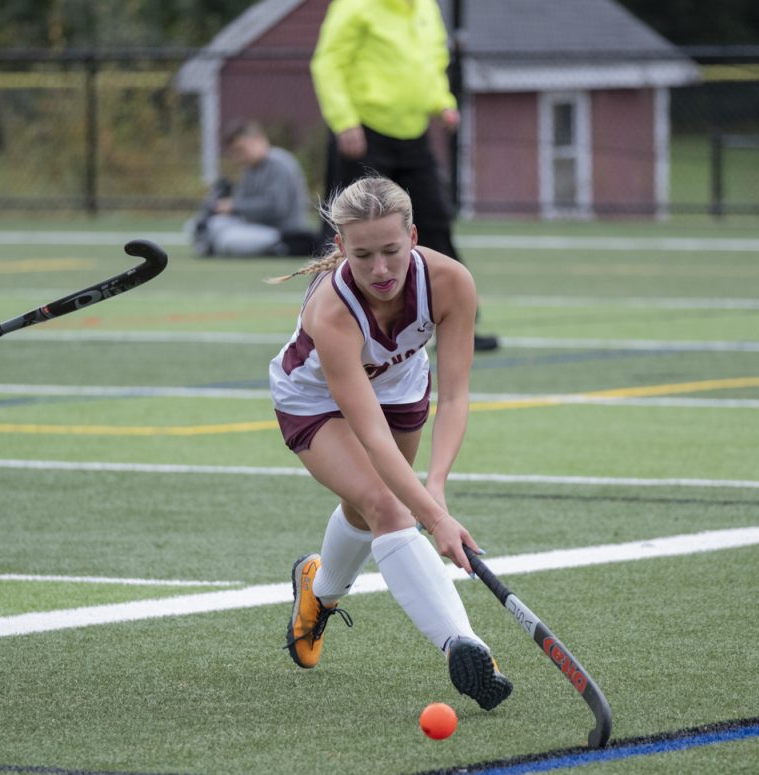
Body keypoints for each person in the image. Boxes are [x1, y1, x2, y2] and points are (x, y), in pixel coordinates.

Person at [268, 176, 512, 711]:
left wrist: (438, 489)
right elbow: (372, 437)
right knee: (384, 502)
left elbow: (454, 397)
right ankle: (467, 647)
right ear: (340, 249)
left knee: (367, 510)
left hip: (402, 385)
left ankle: (319, 592)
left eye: (391, 251)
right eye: (362, 256)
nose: (380, 270)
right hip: (312, 399)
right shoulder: (332, 313)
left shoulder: (450, 282)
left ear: (414, 237)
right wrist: (433, 518)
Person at [310, 0, 499, 351]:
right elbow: (328, 64)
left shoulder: (425, 7)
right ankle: (328, 326)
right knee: (349, 231)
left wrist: (442, 101)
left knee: (435, 223)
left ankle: (460, 323)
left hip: (413, 133)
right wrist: (344, 120)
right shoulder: (355, 7)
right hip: (363, 132)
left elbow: (432, 63)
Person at [188, 120, 316, 257]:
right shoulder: (251, 169)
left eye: (241, 149)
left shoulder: (279, 164)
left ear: (259, 140)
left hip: (285, 233)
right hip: (256, 227)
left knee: (227, 240)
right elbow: (242, 203)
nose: (238, 156)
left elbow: (277, 208)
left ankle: (280, 249)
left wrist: (233, 207)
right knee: (199, 225)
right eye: (235, 152)